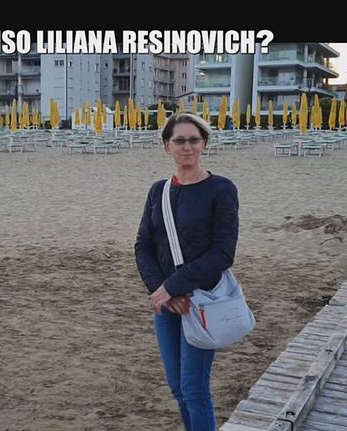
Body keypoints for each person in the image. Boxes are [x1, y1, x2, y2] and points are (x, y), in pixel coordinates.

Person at [134, 112, 239, 431]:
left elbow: (223, 253)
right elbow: (143, 246)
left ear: (204, 143)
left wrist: (174, 287)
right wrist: (162, 290)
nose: (187, 146)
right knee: (178, 387)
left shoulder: (221, 189)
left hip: (201, 301)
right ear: (167, 146)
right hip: (167, 303)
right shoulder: (158, 191)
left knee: (195, 389)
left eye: (194, 139)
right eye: (179, 140)